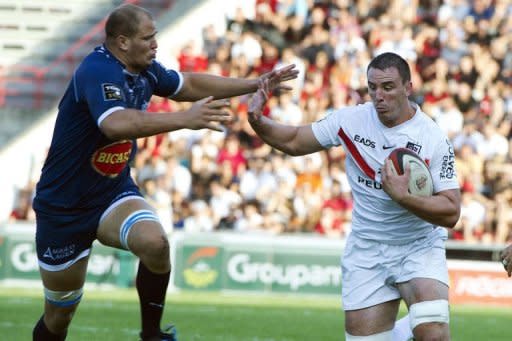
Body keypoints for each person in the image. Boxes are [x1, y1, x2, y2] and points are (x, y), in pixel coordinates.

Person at [31, 4, 298, 341]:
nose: (155, 44)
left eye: (155, 36)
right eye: (148, 38)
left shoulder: (145, 69)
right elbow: (115, 124)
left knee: (155, 244)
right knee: (59, 317)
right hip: (63, 206)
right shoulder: (97, 70)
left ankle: (152, 334)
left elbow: (187, 84)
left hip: (110, 193)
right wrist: (183, 119)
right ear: (123, 42)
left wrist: (255, 84)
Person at [248, 52, 461, 340]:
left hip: (418, 245)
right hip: (367, 248)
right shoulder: (350, 121)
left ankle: (422, 318)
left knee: (433, 333)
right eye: (373, 87)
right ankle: (407, 330)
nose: (378, 96)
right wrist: (257, 120)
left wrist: (405, 197)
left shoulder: (433, 138)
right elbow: (294, 140)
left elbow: (451, 211)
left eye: (388, 87)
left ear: (408, 88)